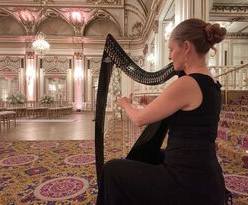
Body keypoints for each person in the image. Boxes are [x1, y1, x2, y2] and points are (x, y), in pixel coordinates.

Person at [96, 18, 227, 205]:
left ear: (187, 47)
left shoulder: (187, 83)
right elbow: (191, 114)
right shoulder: (211, 82)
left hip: (185, 180)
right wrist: (151, 102)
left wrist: (125, 104)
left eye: (171, 49)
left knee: (111, 169)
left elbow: (139, 119)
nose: (169, 56)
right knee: (149, 156)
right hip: (202, 170)